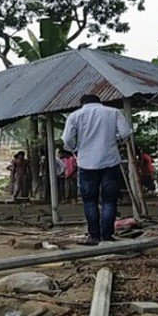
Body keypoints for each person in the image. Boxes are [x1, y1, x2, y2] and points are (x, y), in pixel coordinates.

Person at [62, 94, 132, 244]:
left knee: (89, 201)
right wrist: (117, 141)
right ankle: (107, 235)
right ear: (100, 101)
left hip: (87, 163)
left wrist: (75, 149)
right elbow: (126, 132)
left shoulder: (75, 116)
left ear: (82, 103)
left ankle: (94, 236)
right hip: (110, 161)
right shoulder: (113, 112)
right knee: (109, 200)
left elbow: (67, 139)